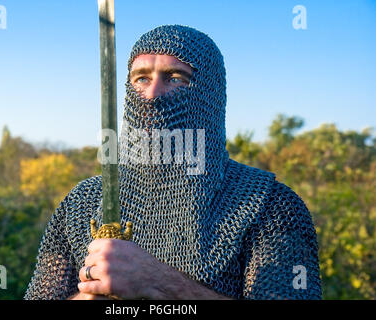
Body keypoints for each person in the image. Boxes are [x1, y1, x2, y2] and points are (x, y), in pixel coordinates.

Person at [24, 25, 322, 300]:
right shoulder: (82, 203)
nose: (152, 95)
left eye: (174, 78)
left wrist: (160, 283)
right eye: (141, 78)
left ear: (209, 93)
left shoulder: (268, 206)